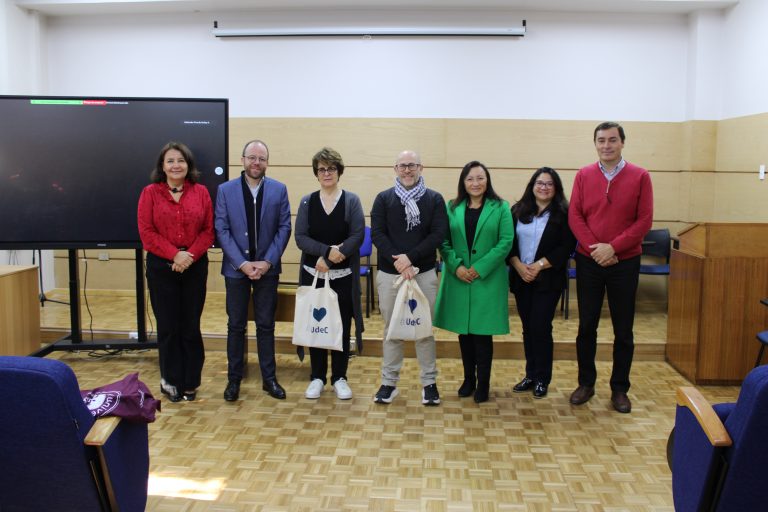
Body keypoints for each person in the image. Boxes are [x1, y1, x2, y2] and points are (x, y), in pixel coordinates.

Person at [568, 122, 653, 413]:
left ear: (622, 143)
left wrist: (613, 248)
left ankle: (620, 389)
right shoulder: (583, 175)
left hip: (624, 262)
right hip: (589, 260)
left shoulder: (640, 176)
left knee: (623, 328)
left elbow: (644, 221)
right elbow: (575, 216)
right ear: (595, 144)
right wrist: (597, 249)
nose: (607, 145)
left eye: (612, 140)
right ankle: (586, 383)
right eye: (601, 140)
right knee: (586, 326)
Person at [215, 139, 292, 401]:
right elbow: (222, 230)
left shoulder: (279, 190)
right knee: (235, 325)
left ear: (267, 162)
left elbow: (284, 228)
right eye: (252, 157)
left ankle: (269, 378)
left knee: (266, 325)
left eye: (261, 158)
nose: (256, 162)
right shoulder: (225, 190)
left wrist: (267, 261)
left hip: (267, 270)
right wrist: (243, 263)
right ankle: (234, 379)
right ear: (243, 160)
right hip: (236, 270)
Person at [137, 141, 214, 403]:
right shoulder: (150, 193)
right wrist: (174, 254)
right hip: (161, 267)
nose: (176, 165)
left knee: (190, 326)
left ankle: (191, 381)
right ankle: (171, 380)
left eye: (180, 160)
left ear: (188, 165)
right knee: (168, 327)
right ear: (162, 166)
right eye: (170, 161)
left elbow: (208, 231)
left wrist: (188, 256)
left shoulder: (201, 192)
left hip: (194, 265)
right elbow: (147, 234)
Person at [371, 150, 448, 406]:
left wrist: (410, 258)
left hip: (423, 273)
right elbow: (378, 235)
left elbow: (438, 234)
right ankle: (388, 383)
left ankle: (429, 384)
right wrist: (399, 260)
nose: (407, 170)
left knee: (423, 329)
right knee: (392, 329)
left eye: (411, 165)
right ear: (395, 168)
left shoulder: (434, 199)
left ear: (420, 168)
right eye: (402, 166)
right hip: (390, 274)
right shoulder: (383, 199)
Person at [434, 161, 513, 403]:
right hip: (458, 278)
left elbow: (505, 241)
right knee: (464, 333)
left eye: (480, 178)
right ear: (463, 182)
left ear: (487, 180)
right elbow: (443, 241)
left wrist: (478, 268)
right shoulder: (452, 207)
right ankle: (469, 379)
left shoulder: (501, 207)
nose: (475, 183)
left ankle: (484, 383)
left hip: (486, 279)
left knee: (482, 334)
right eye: (470, 179)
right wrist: (456, 266)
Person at [294, 147, 365, 400]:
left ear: (339, 171)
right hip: (313, 274)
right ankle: (316, 377)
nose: (327, 173)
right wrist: (325, 253)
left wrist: (335, 257)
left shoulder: (351, 201)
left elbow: (357, 235)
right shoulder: (306, 201)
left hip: (342, 277)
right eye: (322, 169)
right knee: (316, 326)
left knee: (341, 326)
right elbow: (300, 237)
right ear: (316, 173)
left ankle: (339, 377)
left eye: (331, 168)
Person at [508, 167, 576, 400]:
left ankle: (542, 378)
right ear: (532, 185)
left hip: (548, 278)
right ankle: (530, 374)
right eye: (540, 183)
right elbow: (509, 243)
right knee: (528, 329)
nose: (544, 187)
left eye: (549, 184)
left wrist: (538, 266)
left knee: (541, 327)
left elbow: (566, 247)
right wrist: (518, 266)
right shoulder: (517, 211)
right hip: (521, 277)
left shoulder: (565, 214)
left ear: (555, 188)